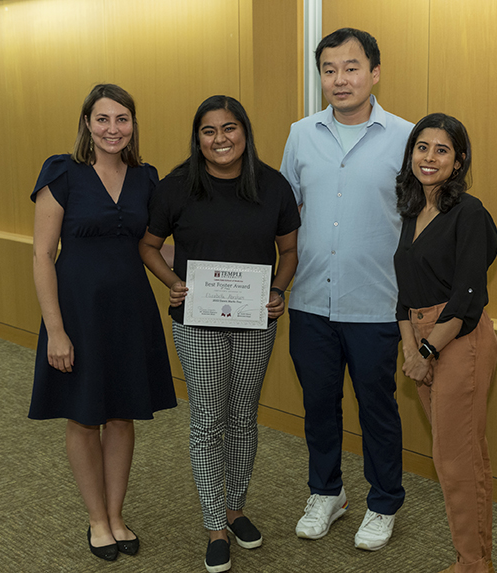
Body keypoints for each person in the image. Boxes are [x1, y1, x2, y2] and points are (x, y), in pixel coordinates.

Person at [139, 95, 300, 573]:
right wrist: (173, 284)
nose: (220, 139)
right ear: (198, 138)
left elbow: (288, 250)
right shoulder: (176, 187)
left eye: (230, 128)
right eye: (209, 131)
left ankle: (236, 509)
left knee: (244, 418)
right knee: (208, 420)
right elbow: (148, 246)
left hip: (255, 320)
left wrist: (277, 289)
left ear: (245, 132)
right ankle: (214, 525)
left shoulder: (272, 186)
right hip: (198, 322)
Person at [29, 84, 177, 562]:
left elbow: (152, 246)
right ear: (87, 124)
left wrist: (215, 270)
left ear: (133, 125)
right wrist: (55, 329)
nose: (113, 129)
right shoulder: (63, 174)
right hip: (77, 314)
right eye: (103, 119)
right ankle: (96, 519)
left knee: (122, 414)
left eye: (122, 120)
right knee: (83, 415)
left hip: (131, 311)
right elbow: (41, 255)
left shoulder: (146, 178)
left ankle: (116, 514)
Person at [279, 27, 413, 551]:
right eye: (330, 70)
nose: (340, 79)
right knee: (319, 404)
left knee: (377, 408)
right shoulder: (300, 134)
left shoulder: (405, 137)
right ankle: (326, 492)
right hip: (311, 299)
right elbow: (286, 214)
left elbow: (420, 222)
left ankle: (383, 502)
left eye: (351, 68)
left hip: (377, 302)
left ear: (374, 73)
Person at [393, 113, 497, 573]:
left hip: (458, 339)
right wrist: (408, 347)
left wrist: (428, 350)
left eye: (442, 150)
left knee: (456, 462)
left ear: (458, 162)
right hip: (419, 337)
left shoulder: (469, 213)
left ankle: (472, 565)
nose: (429, 157)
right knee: (455, 456)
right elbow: (403, 289)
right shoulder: (412, 209)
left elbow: (467, 296)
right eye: (422, 147)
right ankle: (474, 560)